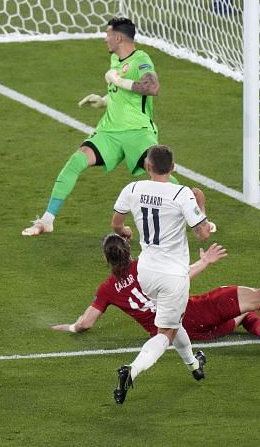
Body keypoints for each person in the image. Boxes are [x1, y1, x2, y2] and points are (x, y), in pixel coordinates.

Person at [52, 233, 260, 347]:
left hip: (179, 335)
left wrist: (72, 327)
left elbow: (87, 323)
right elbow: (182, 276)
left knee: (242, 315)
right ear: (128, 251)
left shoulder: (106, 289)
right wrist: (204, 261)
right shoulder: (147, 264)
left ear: (106, 259)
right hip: (191, 313)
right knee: (258, 296)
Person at [23, 17, 163, 236]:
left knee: (161, 175)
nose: (105, 39)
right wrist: (104, 100)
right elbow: (124, 95)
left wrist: (118, 81)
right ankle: (47, 220)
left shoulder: (141, 59)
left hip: (138, 131)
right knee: (76, 160)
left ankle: (196, 211)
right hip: (109, 132)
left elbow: (152, 87)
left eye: (107, 34)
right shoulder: (116, 60)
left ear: (118, 37)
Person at [109, 144, 212, 404]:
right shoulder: (182, 194)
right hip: (172, 275)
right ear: (174, 167)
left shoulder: (133, 189)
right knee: (164, 333)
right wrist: (200, 205)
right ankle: (131, 370)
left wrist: (126, 232)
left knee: (173, 323)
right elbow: (203, 233)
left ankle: (194, 365)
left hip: (146, 271)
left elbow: (116, 223)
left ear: (148, 166)